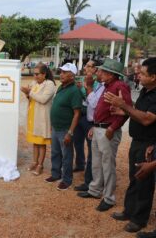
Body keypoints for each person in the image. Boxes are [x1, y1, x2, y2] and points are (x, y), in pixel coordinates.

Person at [104, 57, 156, 233]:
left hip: (148, 144)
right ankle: (129, 210)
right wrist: (123, 109)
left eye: (142, 73)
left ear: (154, 76)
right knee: (133, 178)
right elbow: (138, 113)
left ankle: (139, 219)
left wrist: (124, 105)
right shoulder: (145, 91)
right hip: (137, 141)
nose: (138, 75)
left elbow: (147, 119)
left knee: (144, 182)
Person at [77, 58, 132, 212]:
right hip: (99, 128)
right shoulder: (107, 85)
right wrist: (95, 125)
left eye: (102, 71)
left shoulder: (120, 86)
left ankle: (109, 198)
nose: (99, 72)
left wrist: (112, 127)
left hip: (108, 130)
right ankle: (95, 190)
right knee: (96, 162)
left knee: (107, 165)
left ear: (111, 74)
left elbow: (127, 110)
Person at [44, 63, 82, 190]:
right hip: (56, 127)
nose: (61, 74)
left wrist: (70, 133)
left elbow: (77, 114)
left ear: (72, 76)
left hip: (65, 129)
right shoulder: (61, 87)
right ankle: (55, 174)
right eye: (61, 72)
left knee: (67, 155)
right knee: (55, 152)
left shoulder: (74, 91)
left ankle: (67, 180)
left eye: (65, 72)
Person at [74, 61, 104, 192]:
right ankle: (80, 164)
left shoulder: (97, 83)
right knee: (77, 142)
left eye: (89, 66)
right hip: (81, 115)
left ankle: (90, 180)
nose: (86, 68)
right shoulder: (82, 79)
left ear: (96, 69)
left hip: (91, 120)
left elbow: (92, 101)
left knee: (92, 149)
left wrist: (86, 89)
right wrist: (79, 89)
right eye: (86, 65)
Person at [21, 63, 56, 175]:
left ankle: (40, 165)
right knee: (35, 142)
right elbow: (31, 98)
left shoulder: (49, 84)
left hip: (42, 117)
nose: (35, 76)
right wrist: (27, 95)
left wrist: (29, 92)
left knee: (41, 143)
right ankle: (34, 162)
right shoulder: (34, 83)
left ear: (44, 74)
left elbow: (43, 99)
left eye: (37, 74)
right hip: (33, 115)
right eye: (34, 74)